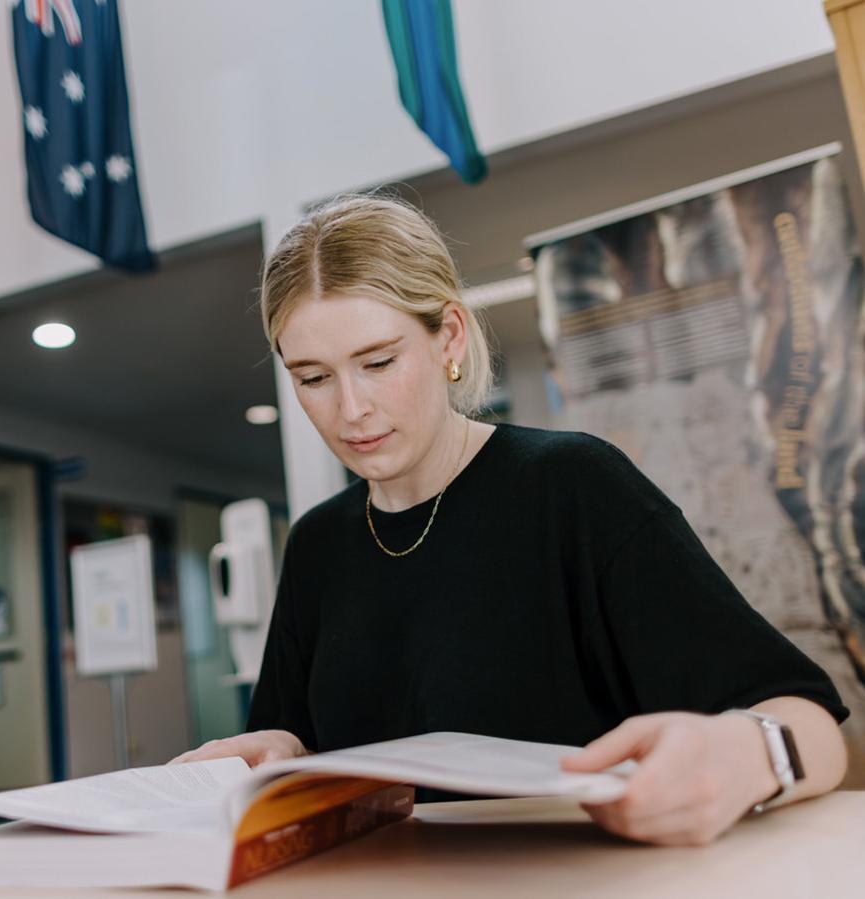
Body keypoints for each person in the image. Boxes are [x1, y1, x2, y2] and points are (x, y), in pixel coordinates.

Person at [172, 194, 849, 846]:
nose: (351, 409)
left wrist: (739, 755)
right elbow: (295, 743)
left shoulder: (571, 485)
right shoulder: (317, 543)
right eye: (313, 378)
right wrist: (281, 748)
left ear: (449, 337)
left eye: (377, 362)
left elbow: (811, 725)